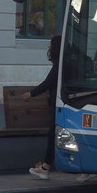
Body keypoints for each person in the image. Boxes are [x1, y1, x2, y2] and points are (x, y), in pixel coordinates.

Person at [27, 36, 62, 179]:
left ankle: (45, 168)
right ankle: (84, 171)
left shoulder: (59, 64)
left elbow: (48, 83)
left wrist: (30, 93)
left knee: (53, 136)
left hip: (59, 105)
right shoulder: (70, 61)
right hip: (66, 104)